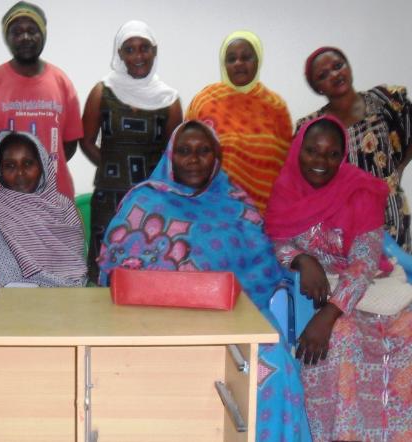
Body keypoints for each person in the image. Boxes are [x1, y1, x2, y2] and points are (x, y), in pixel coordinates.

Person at [98, 120, 312, 442]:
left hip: (236, 315)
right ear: (171, 156)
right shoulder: (143, 202)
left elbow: (261, 268)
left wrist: (300, 260)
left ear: (217, 157)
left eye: (203, 151)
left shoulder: (236, 204)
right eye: (184, 151)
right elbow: (115, 271)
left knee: (275, 367)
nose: (194, 159)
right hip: (156, 322)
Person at [265, 115, 412, 442]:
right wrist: (303, 259)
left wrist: (329, 313)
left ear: (342, 156)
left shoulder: (359, 190)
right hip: (320, 291)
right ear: (298, 149)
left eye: (332, 154)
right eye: (312, 151)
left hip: (368, 287)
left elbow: (364, 263)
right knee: (342, 338)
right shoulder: (285, 189)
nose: (321, 161)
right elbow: (276, 239)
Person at [80, 20, 182, 282]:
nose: (138, 56)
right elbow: (86, 141)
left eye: (144, 48)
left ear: (154, 51)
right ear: (120, 54)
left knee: (149, 271)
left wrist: (150, 184)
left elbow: (173, 155)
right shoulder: (103, 91)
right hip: (109, 200)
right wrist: (112, 169)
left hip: (153, 201)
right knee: (105, 271)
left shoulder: (169, 100)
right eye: (129, 49)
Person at [298, 46, 412, 250]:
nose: (334, 75)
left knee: (398, 269)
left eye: (338, 66)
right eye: (323, 75)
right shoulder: (312, 127)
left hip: (390, 215)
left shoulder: (383, 100)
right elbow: (304, 180)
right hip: (343, 225)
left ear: (348, 66)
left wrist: (400, 167)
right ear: (317, 88)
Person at [0, 1, 83, 199]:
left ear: (43, 34)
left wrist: (41, 172)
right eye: (16, 32)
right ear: (7, 38)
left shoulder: (62, 82)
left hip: (56, 198)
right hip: (5, 200)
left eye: (32, 30)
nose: (25, 37)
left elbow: (69, 143)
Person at [0, 131, 86, 288]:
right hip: (2, 299)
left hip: (62, 297)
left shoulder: (63, 208)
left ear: (42, 165)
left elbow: (74, 273)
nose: (20, 173)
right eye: (10, 166)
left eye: (28, 164)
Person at [186, 30, 292, 214]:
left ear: (258, 61)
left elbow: (285, 163)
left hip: (263, 212)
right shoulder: (204, 102)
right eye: (231, 59)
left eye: (246, 57)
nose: (238, 63)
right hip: (210, 210)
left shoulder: (276, 107)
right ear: (224, 64)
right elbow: (184, 155)